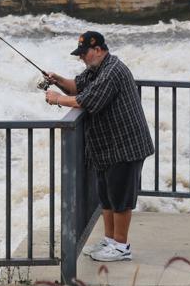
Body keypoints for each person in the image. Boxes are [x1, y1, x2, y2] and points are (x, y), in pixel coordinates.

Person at [43, 31, 154, 262]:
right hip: (108, 147)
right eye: (80, 55)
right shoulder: (96, 69)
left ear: (98, 49)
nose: (82, 58)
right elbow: (76, 87)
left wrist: (56, 99)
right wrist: (58, 80)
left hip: (126, 146)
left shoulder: (112, 70)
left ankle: (121, 246)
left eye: (85, 53)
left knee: (121, 199)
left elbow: (87, 101)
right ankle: (111, 241)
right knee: (107, 197)